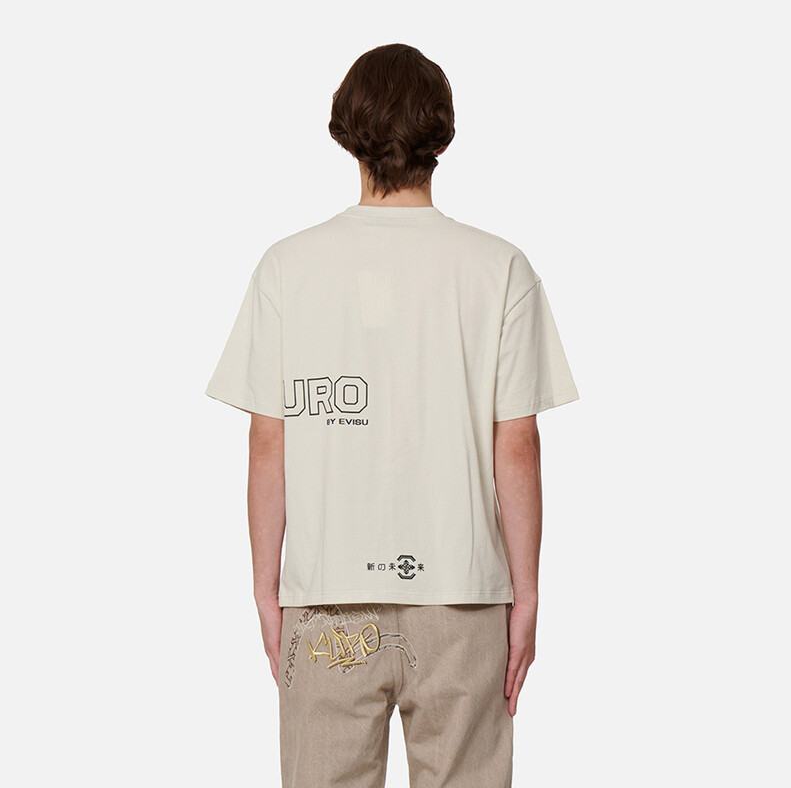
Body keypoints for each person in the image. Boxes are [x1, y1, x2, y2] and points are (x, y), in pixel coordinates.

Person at [205, 42, 579, 788]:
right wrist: (527, 594)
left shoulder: (288, 267)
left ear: (346, 130)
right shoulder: (499, 268)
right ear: (442, 133)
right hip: (462, 598)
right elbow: (517, 446)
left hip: (327, 599)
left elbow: (267, 443)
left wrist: (267, 589)